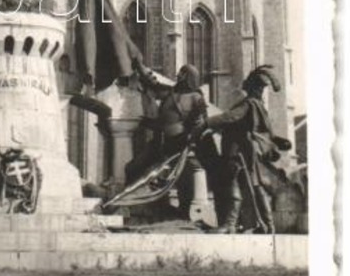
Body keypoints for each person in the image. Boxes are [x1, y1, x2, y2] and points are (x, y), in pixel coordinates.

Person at [204, 64, 292, 234]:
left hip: (237, 152)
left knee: (233, 184)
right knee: (255, 186)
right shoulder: (258, 105)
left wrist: (206, 123)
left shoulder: (248, 104)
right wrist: (277, 141)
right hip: (247, 152)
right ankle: (267, 225)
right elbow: (266, 131)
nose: (259, 91)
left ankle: (230, 224)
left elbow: (229, 117)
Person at [125, 63, 209, 218]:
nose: (178, 75)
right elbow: (154, 87)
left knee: (183, 179)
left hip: (181, 145)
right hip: (161, 143)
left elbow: (202, 123)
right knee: (133, 168)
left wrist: (191, 139)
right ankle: (148, 206)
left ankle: (184, 213)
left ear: (189, 77)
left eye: (182, 73)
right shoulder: (170, 93)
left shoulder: (196, 98)